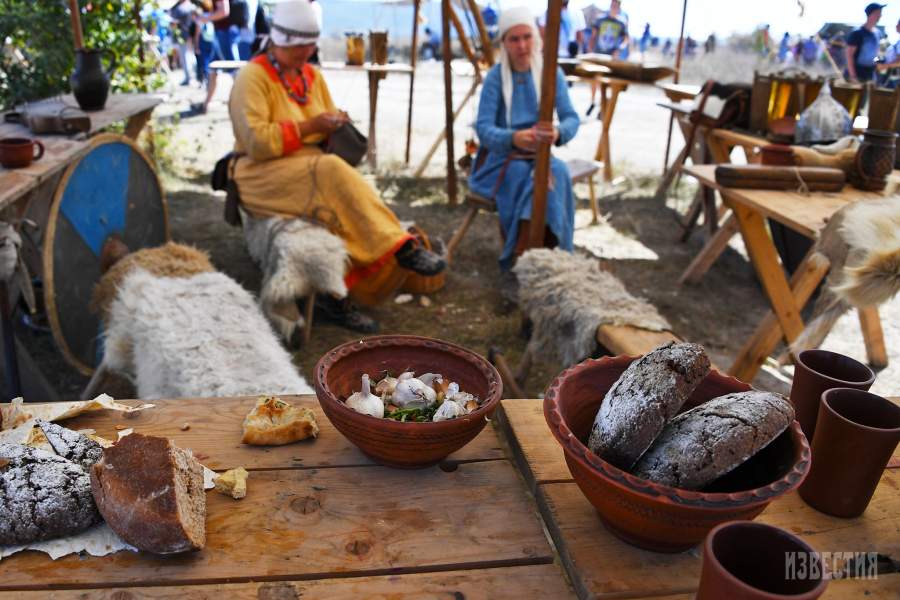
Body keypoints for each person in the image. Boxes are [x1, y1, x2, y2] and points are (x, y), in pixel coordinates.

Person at [228, 0, 445, 332]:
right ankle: (400, 245)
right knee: (330, 171)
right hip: (260, 175)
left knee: (337, 208)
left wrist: (333, 125)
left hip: (309, 169)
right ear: (279, 41)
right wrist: (311, 125)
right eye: (297, 46)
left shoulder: (311, 76)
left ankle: (337, 298)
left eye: (309, 46)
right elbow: (257, 143)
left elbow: (323, 127)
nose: (305, 53)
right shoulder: (252, 78)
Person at [468, 6, 580, 271]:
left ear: (536, 38)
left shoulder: (552, 75)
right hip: (501, 159)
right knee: (521, 175)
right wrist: (514, 137)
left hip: (540, 156)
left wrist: (558, 132)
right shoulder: (496, 78)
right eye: (514, 39)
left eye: (526, 37)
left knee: (558, 173)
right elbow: (483, 128)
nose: (522, 45)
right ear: (504, 43)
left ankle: (552, 251)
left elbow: (571, 118)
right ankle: (521, 253)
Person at [586, 0, 628, 116]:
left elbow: (626, 39)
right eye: (612, 4)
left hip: (611, 56)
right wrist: (589, 49)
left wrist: (619, 48)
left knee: (605, 81)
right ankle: (593, 101)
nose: (613, 7)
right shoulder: (600, 19)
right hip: (598, 53)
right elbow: (593, 36)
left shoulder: (621, 22)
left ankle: (601, 106)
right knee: (594, 79)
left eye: (616, 5)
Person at [846, 3, 886, 82]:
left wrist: (877, 62)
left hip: (870, 74)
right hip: (857, 74)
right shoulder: (857, 33)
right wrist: (853, 76)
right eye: (878, 13)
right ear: (871, 14)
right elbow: (849, 56)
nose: (880, 16)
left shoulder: (878, 34)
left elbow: (877, 54)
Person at [171, 0, 197, 85]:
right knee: (186, 57)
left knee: (187, 57)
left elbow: (190, 22)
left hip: (187, 35)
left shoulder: (188, 7)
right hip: (185, 35)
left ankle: (190, 77)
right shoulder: (178, 6)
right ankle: (189, 77)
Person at [877, 18, 900, 87]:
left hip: (894, 78)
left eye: (898, 24)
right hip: (891, 77)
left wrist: (883, 66)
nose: (896, 26)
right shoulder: (897, 42)